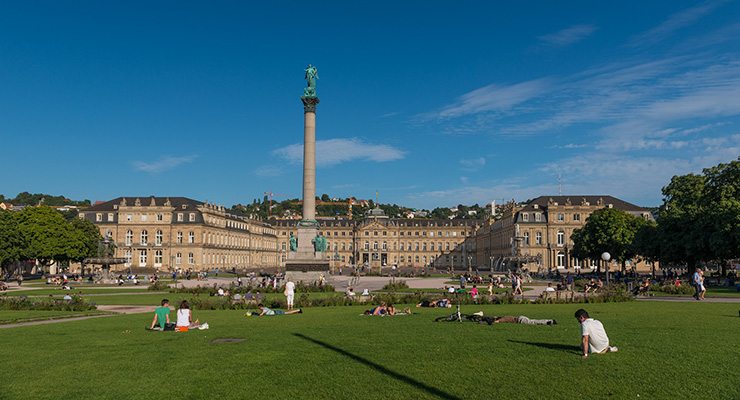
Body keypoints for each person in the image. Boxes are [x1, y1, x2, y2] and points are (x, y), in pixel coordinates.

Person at [489, 315, 557, 325]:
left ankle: (549, 321)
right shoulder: (505, 316)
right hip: (521, 317)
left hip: (520, 320)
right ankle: (549, 320)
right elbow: (496, 317)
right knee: (533, 320)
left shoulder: (503, 319)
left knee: (533, 322)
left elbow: (497, 321)